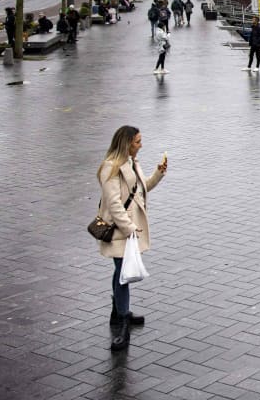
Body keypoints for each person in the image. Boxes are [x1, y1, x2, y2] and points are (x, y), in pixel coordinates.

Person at [96, 125, 168, 351]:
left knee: (120, 272)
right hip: (121, 231)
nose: (141, 145)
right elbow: (114, 204)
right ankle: (122, 326)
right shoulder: (111, 168)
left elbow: (140, 189)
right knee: (123, 275)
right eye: (137, 141)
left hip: (128, 230)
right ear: (127, 143)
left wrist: (158, 174)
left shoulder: (130, 163)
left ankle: (117, 313)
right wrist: (129, 229)